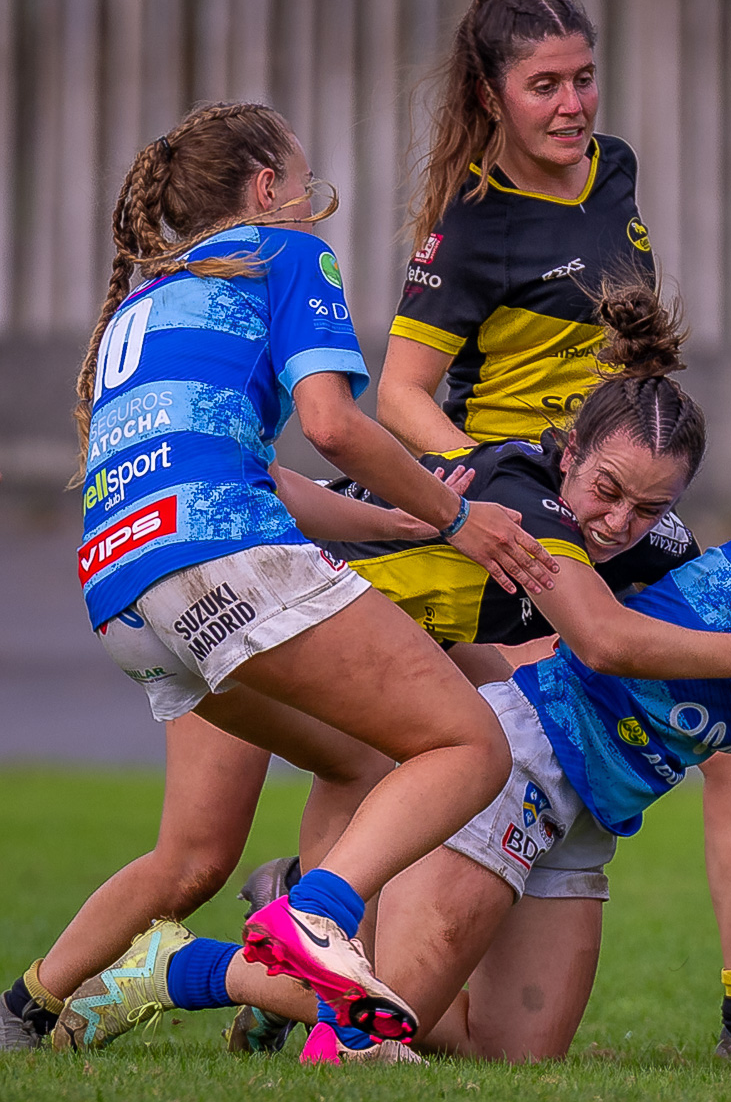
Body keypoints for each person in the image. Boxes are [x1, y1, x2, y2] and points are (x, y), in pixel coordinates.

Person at [76, 403, 731, 1065]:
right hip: (522, 762)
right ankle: (178, 966)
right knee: (373, 1028)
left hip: (584, 817)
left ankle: (304, 919)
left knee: (513, 1053)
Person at [1, 102, 562, 1054]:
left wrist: (389, 517)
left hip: (123, 590)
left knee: (323, 781)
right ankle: (312, 920)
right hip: (222, 558)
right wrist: (455, 517)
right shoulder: (286, 250)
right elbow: (333, 424)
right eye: (306, 184)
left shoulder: (156, 293)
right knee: (470, 745)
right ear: (267, 188)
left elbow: (259, 469)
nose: (312, 203)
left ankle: (27, 1009)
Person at [370, 0, 731, 1058]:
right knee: (513, 703)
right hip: (530, 501)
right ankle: (309, 921)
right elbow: (397, 393)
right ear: (491, 94)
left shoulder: (612, 172)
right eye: (545, 85)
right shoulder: (474, 221)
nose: (574, 104)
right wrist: (489, 486)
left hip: (614, 496)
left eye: (584, 78)